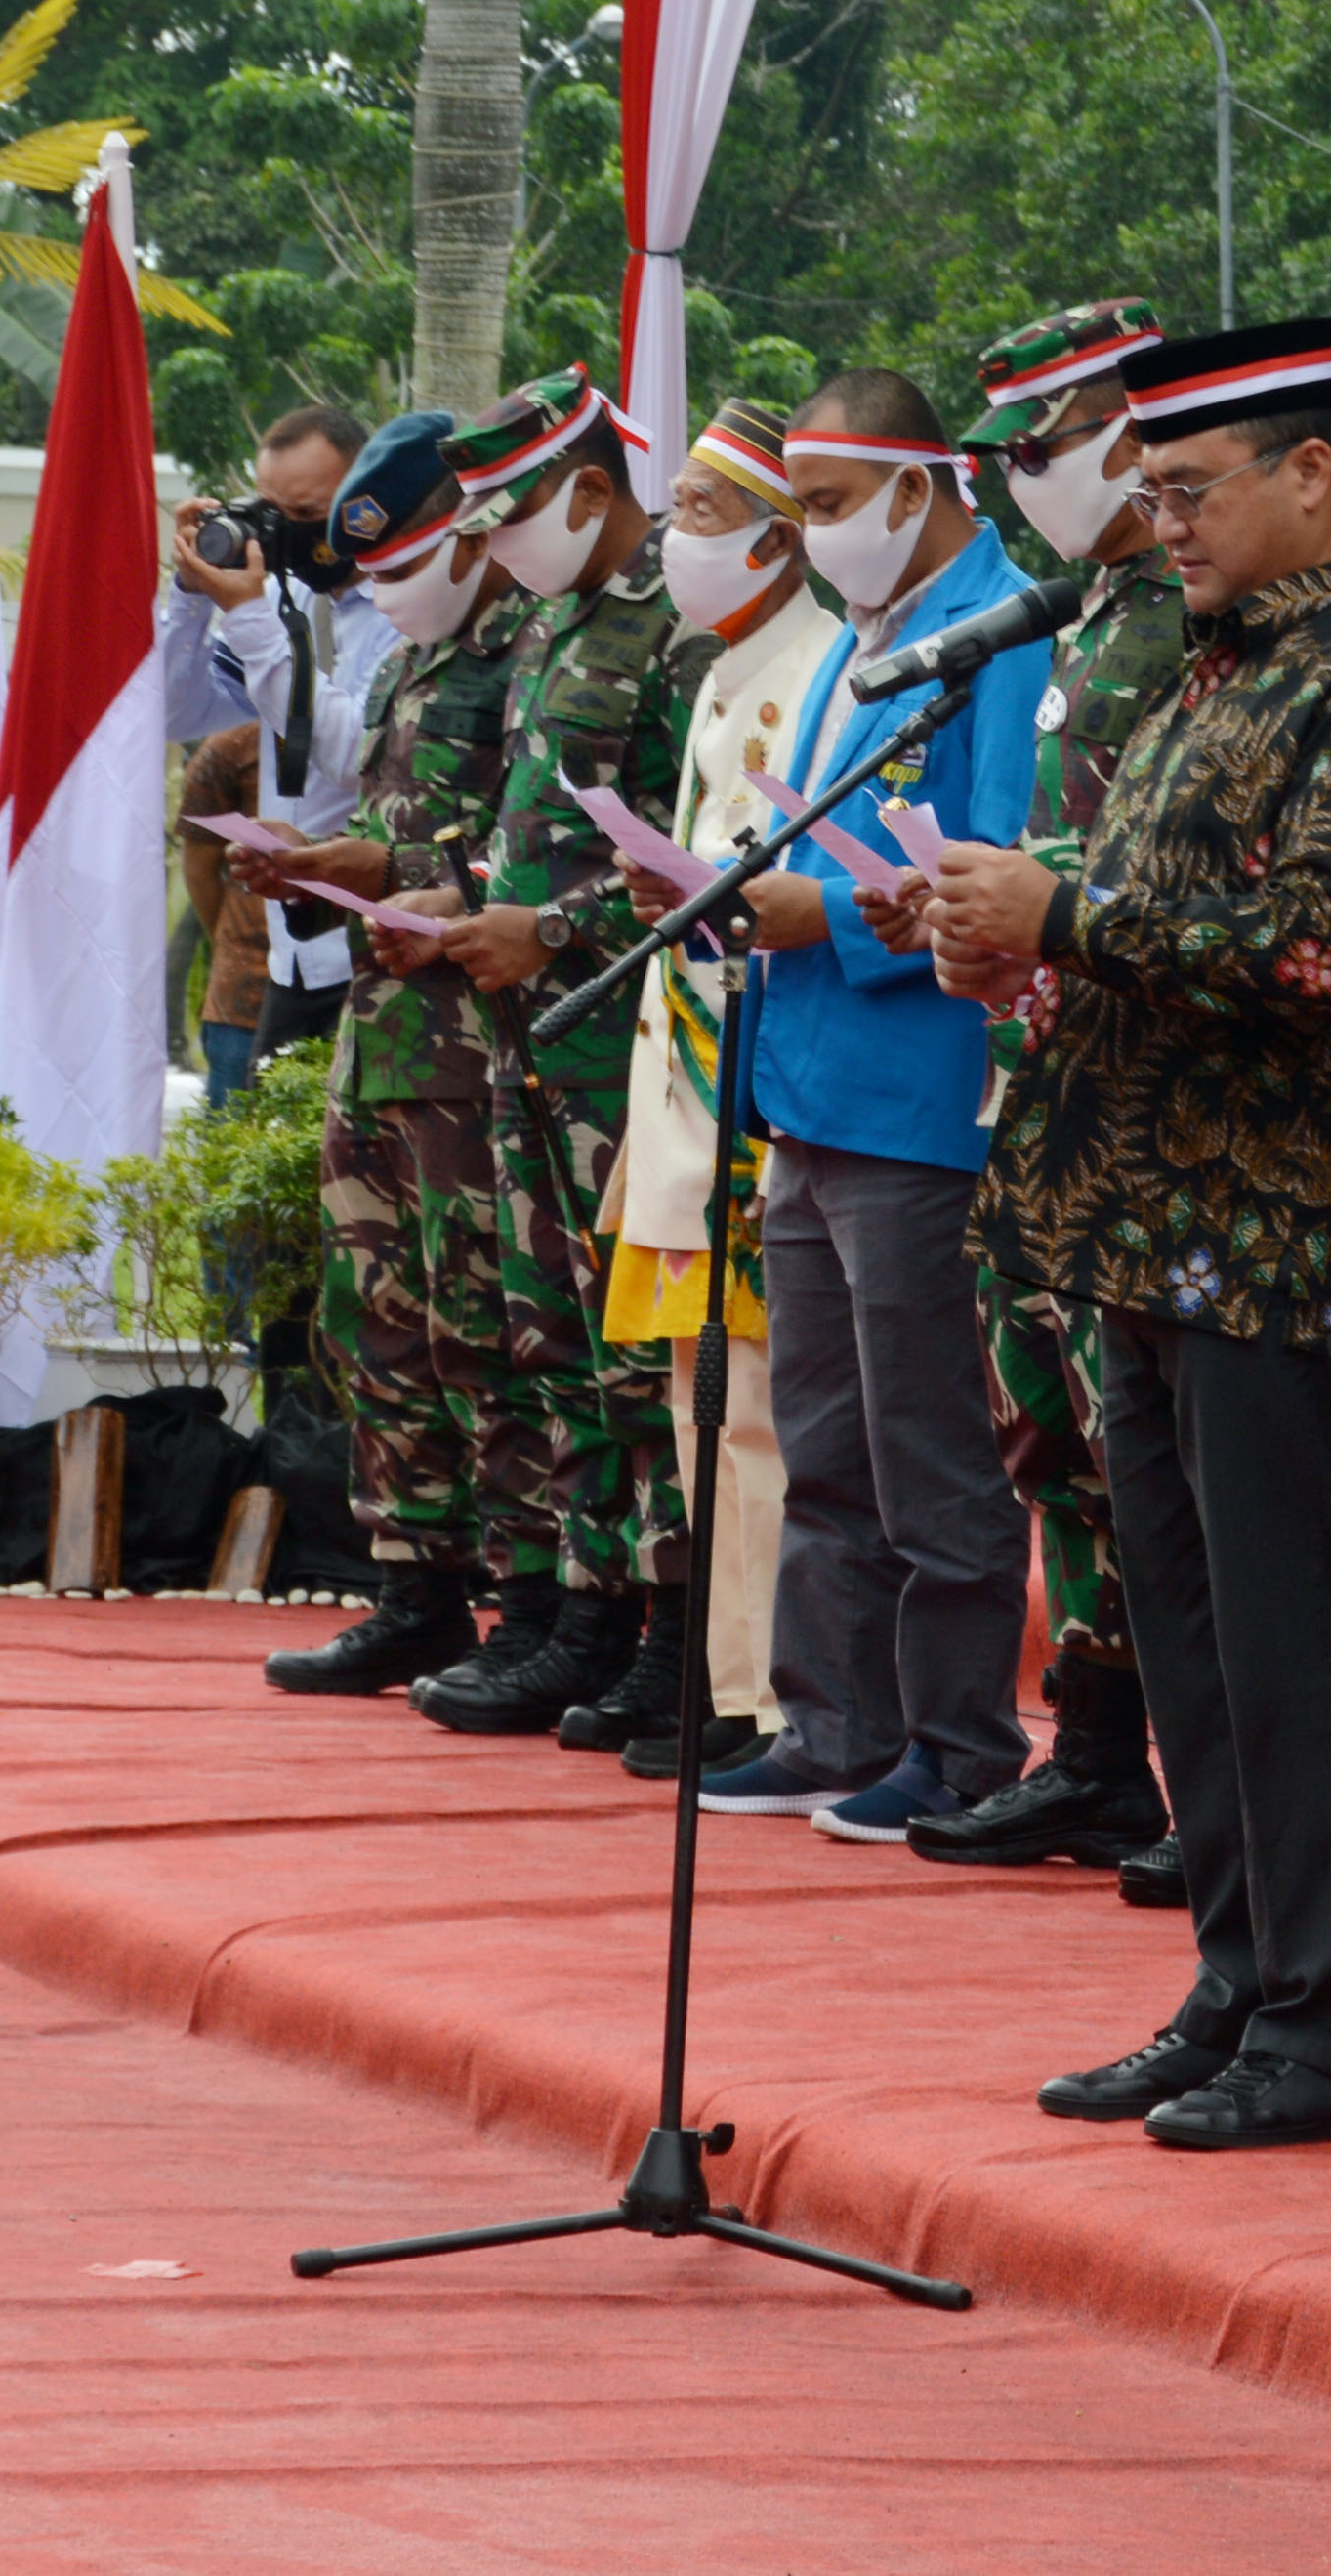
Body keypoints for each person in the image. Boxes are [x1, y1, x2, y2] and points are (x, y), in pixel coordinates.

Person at [940, 317, 1331, 2149]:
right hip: (1146, 1230)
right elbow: (1162, 913)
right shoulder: (1212, 670)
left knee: (1292, 1650)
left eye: (1188, 487)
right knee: (1184, 1639)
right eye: (1149, 489)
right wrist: (1026, 936)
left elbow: (1320, 953)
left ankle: (1329, 2036)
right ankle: (1242, 1988)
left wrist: (1068, 918)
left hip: (1281, 1235)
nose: (1157, 521)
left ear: (1312, 476)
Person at [687, 369, 1045, 1841]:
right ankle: (833, 1717)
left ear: (917, 486)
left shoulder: (1004, 632)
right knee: (824, 1433)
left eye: (830, 507)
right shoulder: (866, 638)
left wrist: (810, 915)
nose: (817, 536)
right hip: (811, 1083)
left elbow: (1000, 859)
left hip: (917, 1090)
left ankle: (958, 1745)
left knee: (928, 1442)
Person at [904, 297, 1189, 1882]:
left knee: (1130, 1426)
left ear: (1133, 428)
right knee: (1043, 1426)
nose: (1024, 479)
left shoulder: (1204, 614)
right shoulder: (1080, 615)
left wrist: (1035, 888)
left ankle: (1180, 1757)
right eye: (1003, 452)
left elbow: (1183, 849)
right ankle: (1090, 1749)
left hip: (1143, 1094)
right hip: (1038, 1074)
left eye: (1043, 444)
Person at [411, 368, 714, 1735]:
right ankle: (589, 1612)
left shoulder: (676, 627)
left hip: (626, 1036)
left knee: (640, 1354)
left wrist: (557, 926)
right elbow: (541, 825)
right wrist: (468, 900)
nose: (499, 538)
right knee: (556, 1341)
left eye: (514, 506)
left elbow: (693, 856)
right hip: (530, 1033)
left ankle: (675, 1631)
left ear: (592, 488)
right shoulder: (549, 622)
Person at [247, 416, 525, 1696]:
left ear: (472, 529)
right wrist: (318, 867)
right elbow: (405, 835)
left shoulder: (532, 649)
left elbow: (526, 861)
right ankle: (412, 1587)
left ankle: (536, 1600)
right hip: (385, 1032)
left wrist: (387, 876)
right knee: (379, 1324)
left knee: (489, 1329)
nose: (387, 583)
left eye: (409, 555)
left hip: (486, 1048)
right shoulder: (418, 655)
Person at [577, 401, 834, 1778]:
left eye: (707, 514)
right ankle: (730, 1684)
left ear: (785, 540)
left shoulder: (815, 662)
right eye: (676, 509)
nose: (680, 537)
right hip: (686, 1078)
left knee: (762, 1415)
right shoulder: (726, 662)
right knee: (703, 1406)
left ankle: (778, 1696)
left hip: (754, 1083)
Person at [167, 401, 394, 1070]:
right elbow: (177, 713)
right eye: (267, 510)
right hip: (292, 953)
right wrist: (189, 595)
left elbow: (354, 756)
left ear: (365, 499)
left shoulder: (401, 611)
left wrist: (250, 619)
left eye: (305, 514)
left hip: (373, 945)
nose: (282, 534)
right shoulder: (279, 602)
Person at [178, 721, 275, 1105]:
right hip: (244, 993)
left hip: (346, 986)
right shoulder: (234, 744)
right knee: (233, 1142)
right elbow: (198, 868)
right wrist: (237, 941)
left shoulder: (361, 736)